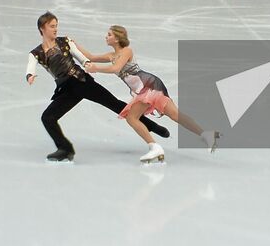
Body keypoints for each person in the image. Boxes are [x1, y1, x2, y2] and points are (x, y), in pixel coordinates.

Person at [25, 12, 170, 162]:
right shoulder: (36, 53)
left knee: (115, 104)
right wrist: (30, 75)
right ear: (42, 28)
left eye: (56, 26)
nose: (56, 29)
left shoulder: (65, 42)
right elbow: (30, 67)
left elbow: (81, 57)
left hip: (82, 82)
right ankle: (65, 149)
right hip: (66, 89)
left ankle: (153, 126)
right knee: (48, 117)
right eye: (52, 26)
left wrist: (87, 64)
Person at [81, 25, 218, 163]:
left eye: (109, 34)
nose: (106, 36)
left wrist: (96, 68)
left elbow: (115, 68)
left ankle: (154, 147)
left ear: (117, 39)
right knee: (175, 115)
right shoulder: (111, 55)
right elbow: (90, 57)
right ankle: (207, 135)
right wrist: (71, 43)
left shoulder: (127, 51)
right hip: (148, 86)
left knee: (132, 118)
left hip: (148, 85)